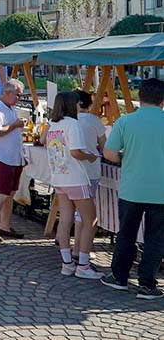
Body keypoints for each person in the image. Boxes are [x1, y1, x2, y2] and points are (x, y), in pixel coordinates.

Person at [101, 78, 164, 299]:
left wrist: (124, 157)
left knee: (126, 234)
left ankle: (119, 277)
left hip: (132, 188)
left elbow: (109, 153)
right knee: (155, 238)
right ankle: (147, 284)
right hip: (161, 191)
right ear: (162, 101)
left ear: (140, 97)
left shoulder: (125, 121)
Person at [44, 91, 103, 280]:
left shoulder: (53, 124)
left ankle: (67, 263)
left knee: (65, 220)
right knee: (90, 220)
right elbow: (76, 152)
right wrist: (90, 156)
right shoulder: (72, 124)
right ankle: (83, 264)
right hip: (77, 177)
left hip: (59, 177)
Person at [0, 79, 27, 242]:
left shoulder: (10, 108)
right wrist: (15, 125)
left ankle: (5, 226)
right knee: (2, 194)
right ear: (7, 93)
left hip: (14, 157)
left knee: (10, 194)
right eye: (18, 95)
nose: (19, 98)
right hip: (2, 156)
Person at [75, 90, 106, 252]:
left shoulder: (64, 120)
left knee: (70, 213)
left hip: (69, 172)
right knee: (86, 215)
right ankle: (80, 250)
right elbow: (104, 146)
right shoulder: (93, 120)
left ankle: (70, 248)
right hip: (90, 170)